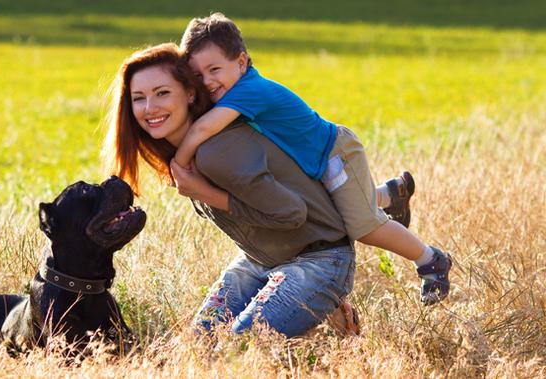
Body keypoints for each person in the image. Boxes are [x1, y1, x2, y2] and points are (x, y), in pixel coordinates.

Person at [173, 13, 451, 305]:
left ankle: (431, 260)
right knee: (334, 207)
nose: (207, 81)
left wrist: (179, 164)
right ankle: (389, 194)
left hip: (335, 153)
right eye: (197, 76)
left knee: (364, 227)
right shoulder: (237, 90)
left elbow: (204, 128)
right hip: (318, 159)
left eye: (214, 69)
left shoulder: (250, 90)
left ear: (241, 63)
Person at [102, 43, 362, 337]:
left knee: (239, 347)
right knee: (196, 347)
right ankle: (316, 309)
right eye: (139, 98)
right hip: (260, 260)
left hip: (321, 260)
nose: (150, 108)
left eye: (162, 93)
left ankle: (324, 300)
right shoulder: (186, 153)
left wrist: (205, 192)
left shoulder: (216, 151)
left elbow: (292, 213)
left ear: (189, 93)